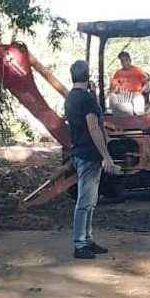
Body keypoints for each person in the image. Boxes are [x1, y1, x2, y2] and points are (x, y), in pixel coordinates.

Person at [65, 60, 120, 259]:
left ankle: (87, 239)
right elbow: (93, 127)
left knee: (90, 200)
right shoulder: (87, 99)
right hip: (89, 154)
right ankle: (80, 244)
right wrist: (106, 156)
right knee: (85, 201)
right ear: (88, 76)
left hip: (80, 152)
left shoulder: (71, 97)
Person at [109, 51, 149, 116]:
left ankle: (139, 119)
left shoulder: (138, 70)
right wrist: (116, 90)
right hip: (122, 96)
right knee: (112, 97)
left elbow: (146, 83)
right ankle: (115, 119)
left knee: (138, 100)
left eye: (126, 60)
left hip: (136, 94)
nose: (124, 63)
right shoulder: (118, 73)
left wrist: (140, 92)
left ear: (130, 60)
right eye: (122, 61)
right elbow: (113, 87)